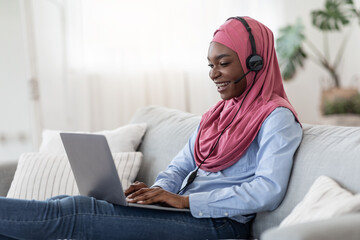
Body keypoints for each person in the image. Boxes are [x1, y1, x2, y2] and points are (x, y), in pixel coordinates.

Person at [0, 16, 302, 239]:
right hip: (185, 215)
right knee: (62, 204)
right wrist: (158, 191)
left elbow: (268, 190)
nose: (213, 74)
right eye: (210, 65)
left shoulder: (276, 118)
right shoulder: (216, 115)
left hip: (221, 225)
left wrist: (185, 200)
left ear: (255, 63)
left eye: (223, 63)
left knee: (76, 213)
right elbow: (180, 166)